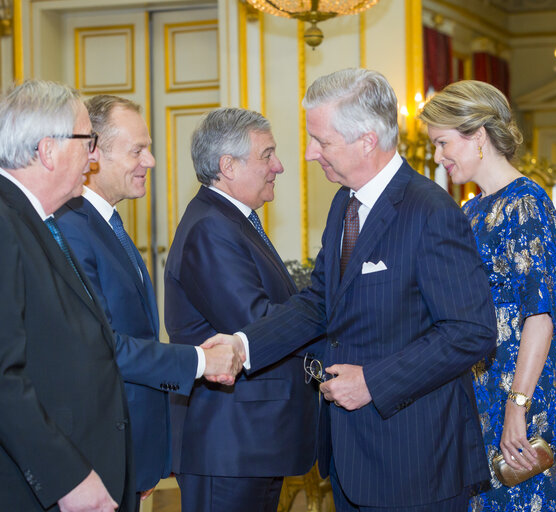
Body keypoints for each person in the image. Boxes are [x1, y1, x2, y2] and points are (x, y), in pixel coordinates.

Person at [205, 69, 498, 511]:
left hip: (416, 461)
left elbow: (470, 332)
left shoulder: (429, 211)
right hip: (350, 456)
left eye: (321, 141)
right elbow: (320, 302)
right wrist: (244, 345)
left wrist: (373, 383)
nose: (308, 154)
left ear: (366, 140)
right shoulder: (345, 202)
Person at [0, 80, 134, 512]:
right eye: (87, 142)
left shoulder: (31, 216)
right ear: (48, 150)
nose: (93, 157)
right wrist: (68, 477)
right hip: (29, 487)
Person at [55, 95, 243, 509]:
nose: (151, 161)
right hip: (97, 453)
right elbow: (103, 349)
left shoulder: (107, 225)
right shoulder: (71, 229)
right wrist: (200, 361)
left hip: (128, 452)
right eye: (137, 150)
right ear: (94, 153)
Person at [419, 79, 556, 511]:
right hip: (478, 386)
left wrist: (517, 405)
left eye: (443, 143)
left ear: (478, 136)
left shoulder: (527, 203)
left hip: (520, 386)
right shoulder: (471, 208)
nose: (437, 157)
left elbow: (539, 315)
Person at [164, 107, 318, 512]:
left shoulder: (232, 221)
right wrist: (324, 309)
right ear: (227, 166)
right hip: (228, 445)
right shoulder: (211, 228)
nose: (279, 166)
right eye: (267, 155)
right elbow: (256, 322)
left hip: (249, 441)